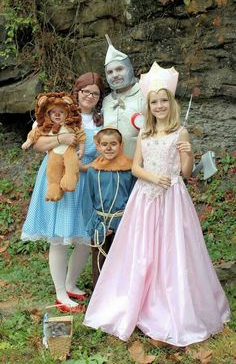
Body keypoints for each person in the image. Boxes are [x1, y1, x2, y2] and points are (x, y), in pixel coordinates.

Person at [83, 62, 230, 345]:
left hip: (173, 197)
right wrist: (151, 176)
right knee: (141, 249)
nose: (160, 105)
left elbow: (186, 173)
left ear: (171, 103)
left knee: (172, 248)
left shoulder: (180, 133)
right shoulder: (145, 134)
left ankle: (173, 302)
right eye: (154, 102)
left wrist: (187, 154)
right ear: (148, 106)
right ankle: (138, 299)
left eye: (164, 100)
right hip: (145, 196)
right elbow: (136, 167)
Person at [21, 72, 105, 312]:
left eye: (95, 93)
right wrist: (62, 137)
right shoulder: (57, 113)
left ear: (99, 98)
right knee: (60, 236)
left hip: (86, 176)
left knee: (84, 238)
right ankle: (60, 292)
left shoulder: (100, 121)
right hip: (57, 175)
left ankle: (71, 284)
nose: (89, 96)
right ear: (77, 92)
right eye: (85, 91)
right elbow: (38, 144)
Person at [81, 127, 136, 286]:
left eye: (113, 143)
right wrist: (97, 226)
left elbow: (134, 198)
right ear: (98, 146)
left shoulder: (129, 170)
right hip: (100, 223)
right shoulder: (93, 170)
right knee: (99, 260)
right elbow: (87, 201)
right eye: (104, 144)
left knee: (123, 260)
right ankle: (99, 298)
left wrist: (124, 224)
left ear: (121, 145)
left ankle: (122, 296)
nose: (109, 148)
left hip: (123, 223)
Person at [22, 92, 86, 201]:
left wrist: (81, 149)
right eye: (54, 112)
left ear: (67, 114)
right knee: (52, 170)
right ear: (48, 114)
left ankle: (70, 179)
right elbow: (35, 134)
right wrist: (28, 141)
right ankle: (54, 188)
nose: (57, 115)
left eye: (61, 112)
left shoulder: (72, 125)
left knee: (71, 164)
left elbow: (81, 136)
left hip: (69, 151)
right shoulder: (46, 127)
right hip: (54, 154)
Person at [102, 35, 145, 157]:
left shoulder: (145, 94)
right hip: (112, 168)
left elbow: (165, 128)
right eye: (110, 72)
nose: (115, 75)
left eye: (119, 69)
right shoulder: (106, 101)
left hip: (140, 168)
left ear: (129, 69)